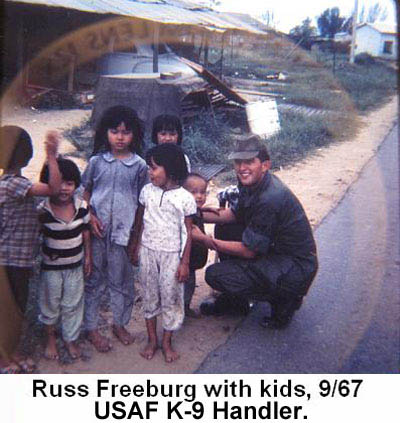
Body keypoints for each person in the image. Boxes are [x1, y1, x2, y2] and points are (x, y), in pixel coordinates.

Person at [202, 135, 318, 329]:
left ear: (265, 165)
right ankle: (237, 302)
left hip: (295, 268)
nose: (241, 168)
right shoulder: (252, 183)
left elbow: (249, 251)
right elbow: (235, 214)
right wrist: (194, 213)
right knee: (225, 227)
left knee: (215, 275)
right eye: (238, 162)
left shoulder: (270, 197)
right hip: (277, 252)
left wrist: (206, 240)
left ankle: (284, 299)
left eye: (249, 162)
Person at [82, 105, 148, 352]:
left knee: (122, 283)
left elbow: (142, 205)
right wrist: (89, 215)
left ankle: (119, 324)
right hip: (97, 235)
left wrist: (136, 239)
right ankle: (91, 328)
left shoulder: (140, 166)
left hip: (124, 235)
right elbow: (84, 192)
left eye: (126, 132)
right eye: (115, 131)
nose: (120, 137)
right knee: (94, 281)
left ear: (134, 135)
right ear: (105, 133)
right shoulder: (96, 162)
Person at [0, 126, 61, 373]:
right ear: (27, 155)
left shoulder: (15, 185)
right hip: (9, 262)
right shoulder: (13, 185)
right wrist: (52, 156)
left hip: (17, 262)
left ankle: (12, 354)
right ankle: (5, 359)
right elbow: (53, 190)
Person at [129, 143, 196, 362]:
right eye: (149, 167)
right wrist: (135, 245)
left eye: (155, 168)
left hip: (171, 256)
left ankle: (167, 342)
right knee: (149, 296)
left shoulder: (185, 198)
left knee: (171, 298)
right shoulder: (147, 192)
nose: (150, 172)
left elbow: (187, 233)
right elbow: (139, 222)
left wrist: (184, 263)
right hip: (148, 253)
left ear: (171, 169)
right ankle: (152, 340)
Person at [38, 158, 91, 361]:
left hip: (75, 268)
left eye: (69, 183)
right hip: (51, 269)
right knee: (50, 304)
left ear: (76, 185)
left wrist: (88, 257)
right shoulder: (43, 211)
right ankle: (50, 339)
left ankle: (70, 339)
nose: (63, 188)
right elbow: (37, 235)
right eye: (58, 183)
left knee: (73, 304)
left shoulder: (82, 207)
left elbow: (85, 232)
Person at [182, 173, 214, 318]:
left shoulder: (196, 211)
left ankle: (186, 307)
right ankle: (180, 310)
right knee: (182, 285)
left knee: (190, 285)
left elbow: (197, 211)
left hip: (194, 260)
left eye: (202, 192)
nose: (199, 196)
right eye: (193, 192)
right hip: (185, 260)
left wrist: (204, 210)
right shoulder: (184, 214)